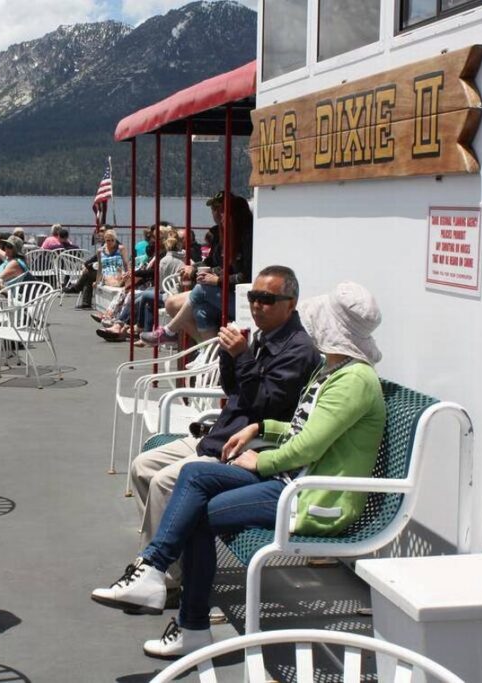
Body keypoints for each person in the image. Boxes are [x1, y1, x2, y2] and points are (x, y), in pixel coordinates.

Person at [91, 282, 386, 659]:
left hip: (311, 498)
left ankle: (189, 623)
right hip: (291, 481)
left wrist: (261, 458)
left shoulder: (355, 381)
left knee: (197, 510)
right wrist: (261, 429)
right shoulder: (334, 370)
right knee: (194, 476)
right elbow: (300, 428)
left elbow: (309, 446)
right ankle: (154, 572)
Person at [126, 266, 318, 587]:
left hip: (245, 446)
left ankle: (167, 577)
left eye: (267, 299)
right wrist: (231, 357)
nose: (257, 305)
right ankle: (171, 560)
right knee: (143, 466)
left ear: (291, 303)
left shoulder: (297, 350)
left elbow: (264, 405)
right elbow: (234, 391)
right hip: (221, 434)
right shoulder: (262, 337)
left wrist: (241, 356)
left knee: (163, 483)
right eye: (254, 297)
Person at [142, 192, 254, 345]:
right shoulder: (220, 235)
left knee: (200, 290)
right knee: (200, 312)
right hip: (223, 292)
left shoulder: (248, 238)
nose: (218, 214)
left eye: (221, 210)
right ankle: (209, 354)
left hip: (241, 299)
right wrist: (194, 268)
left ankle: (168, 331)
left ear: (234, 214)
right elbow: (214, 264)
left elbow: (245, 276)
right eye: (215, 209)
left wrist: (217, 279)